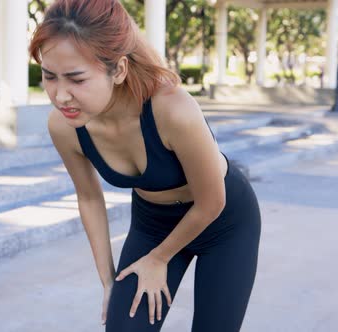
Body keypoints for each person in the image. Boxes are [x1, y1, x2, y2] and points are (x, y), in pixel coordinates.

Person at [29, 1, 261, 331]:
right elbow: (90, 198)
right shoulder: (64, 127)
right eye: (49, 76)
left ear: (119, 70)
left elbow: (212, 202)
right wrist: (109, 281)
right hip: (153, 223)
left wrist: (159, 258)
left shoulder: (173, 108)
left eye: (76, 79)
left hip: (223, 223)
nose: (60, 95)